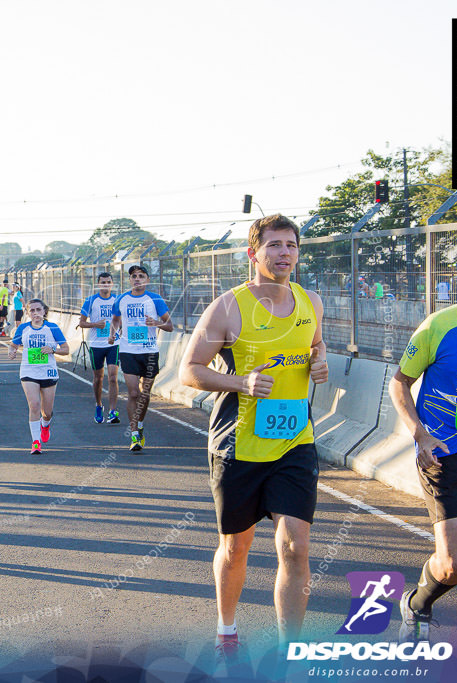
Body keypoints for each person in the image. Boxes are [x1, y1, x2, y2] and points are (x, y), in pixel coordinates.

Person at [178, 214, 328, 665]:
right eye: (275, 245)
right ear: (254, 254)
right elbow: (190, 370)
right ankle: (227, 628)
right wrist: (241, 383)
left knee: (295, 546)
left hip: (294, 442)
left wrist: (319, 363)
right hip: (238, 444)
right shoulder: (228, 306)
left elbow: (315, 347)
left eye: (292, 245)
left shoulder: (311, 301)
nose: (285, 253)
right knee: (235, 547)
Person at [389, 247, 457, 643]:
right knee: (456, 564)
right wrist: (420, 433)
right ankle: (417, 603)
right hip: (449, 454)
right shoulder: (440, 325)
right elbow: (399, 382)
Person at [110, 265, 173, 451]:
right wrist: (113, 333)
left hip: (149, 351)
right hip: (128, 350)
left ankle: (140, 424)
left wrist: (156, 323)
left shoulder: (154, 299)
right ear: (130, 280)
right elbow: (115, 319)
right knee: (133, 393)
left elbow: (170, 325)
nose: (137, 279)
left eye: (141, 276)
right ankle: (134, 434)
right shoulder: (121, 299)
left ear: (147, 280)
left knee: (145, 394)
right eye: (134, 276)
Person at [9, 298, 68, 454]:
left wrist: (53, 350)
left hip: (48, 370)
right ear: (28, 313)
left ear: (44, 311)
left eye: (38, 310)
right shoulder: (23, 328)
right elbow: (13, 345)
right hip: (29, 370)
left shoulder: (52, 328)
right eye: (32, 311)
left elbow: (66, 349)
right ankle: (36, 442)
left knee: (46, 412)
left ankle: (45, 424)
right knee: (34, 405)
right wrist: (12, 351)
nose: (35, 313)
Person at [80, 272, 121, 425]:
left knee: (112, 377)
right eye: (103, 282)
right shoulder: (91, 301)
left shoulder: (117, 300)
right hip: (96, 344)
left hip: (113, 344)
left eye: (108, 282)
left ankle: (113, 411)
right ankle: (99, 405)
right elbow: (82, 323)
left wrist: (119, 329)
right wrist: (95, 324)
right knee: (98, 378)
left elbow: (122, 320)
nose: (106, 285)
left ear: (112, 283)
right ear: (98, 284)